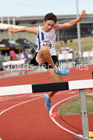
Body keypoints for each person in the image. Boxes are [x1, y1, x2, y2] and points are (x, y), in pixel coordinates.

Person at [7, 10, 87, 110]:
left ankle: (48, 96)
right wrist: (14, 31)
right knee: (44, 48)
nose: (50, 27)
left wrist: (80, 18)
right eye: (48, 24)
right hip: (40, 57)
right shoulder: (37, 30)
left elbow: (69, 24)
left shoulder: (55, 28)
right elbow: (26, 29)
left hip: (51, 58)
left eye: (52, 25)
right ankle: (56, 69)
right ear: (44, 22)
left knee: (60, 84)